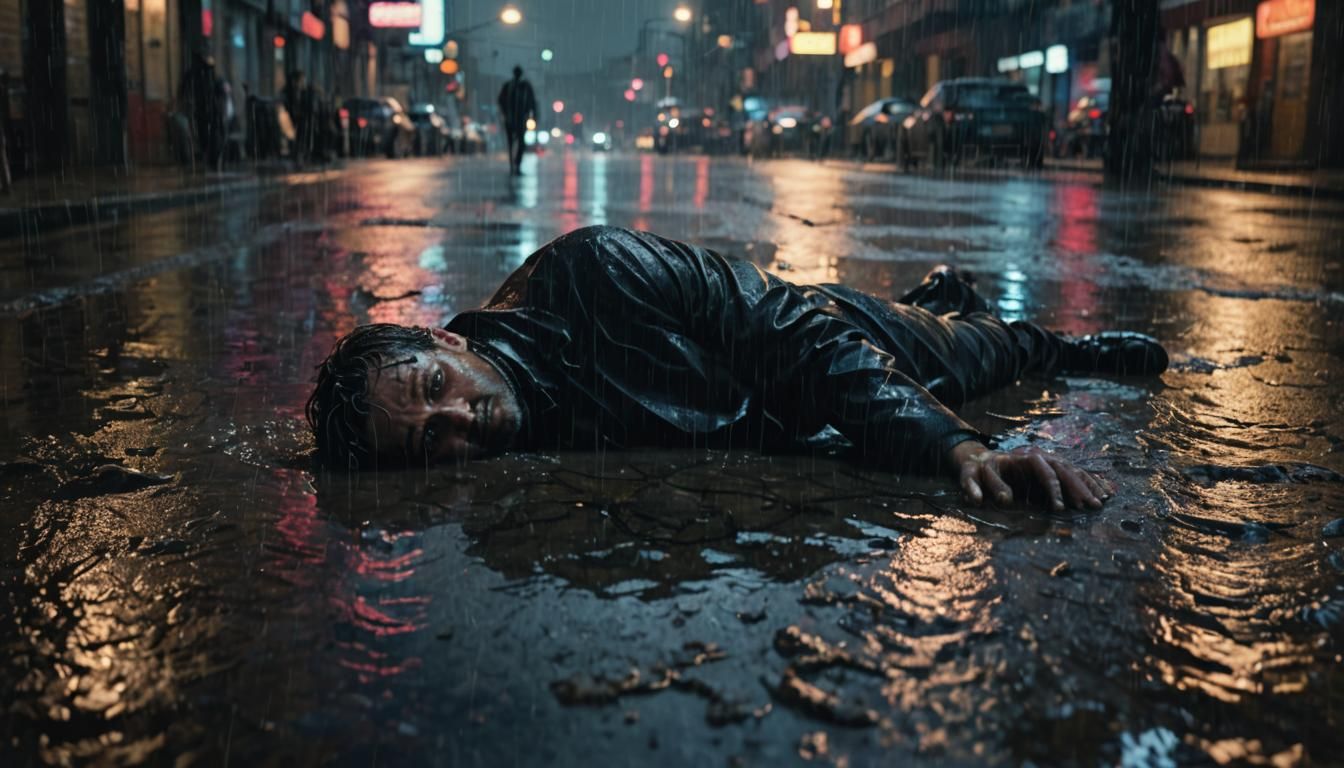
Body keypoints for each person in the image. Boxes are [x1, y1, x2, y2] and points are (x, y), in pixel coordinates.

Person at [307, 226, 1168, 511]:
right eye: (430, 442)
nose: (461, 422)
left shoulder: (597, 271)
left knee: (970, 357)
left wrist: (956, 450)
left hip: (827, 342)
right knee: (941, 337)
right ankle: (937, 296)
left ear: (447, 344)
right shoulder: (511, 429)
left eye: (434, 390)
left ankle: (1064, 347)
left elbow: (793, 331)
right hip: (798, 405)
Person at [497, 66, 537, 175]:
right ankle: (513, 163)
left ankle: (516, 163)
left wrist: (533, 116)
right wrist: (505, 113)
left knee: (521, 143)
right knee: (512, 142)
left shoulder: (525, 87)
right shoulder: (509, 86)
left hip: (520, 119)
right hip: (511, 119)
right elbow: (501, 100)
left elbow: (532, 102)